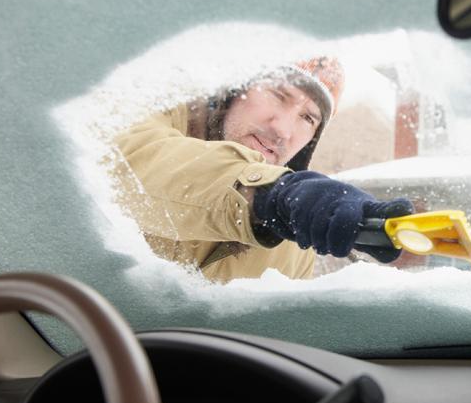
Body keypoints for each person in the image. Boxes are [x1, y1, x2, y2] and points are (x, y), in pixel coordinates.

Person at [112, 56, 414, 283]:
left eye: (308, 118)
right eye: (278, 95)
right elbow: (133, 169)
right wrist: (269, 195)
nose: (283, 130)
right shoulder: (145, 115)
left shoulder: (295, 244)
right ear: (235, 89)